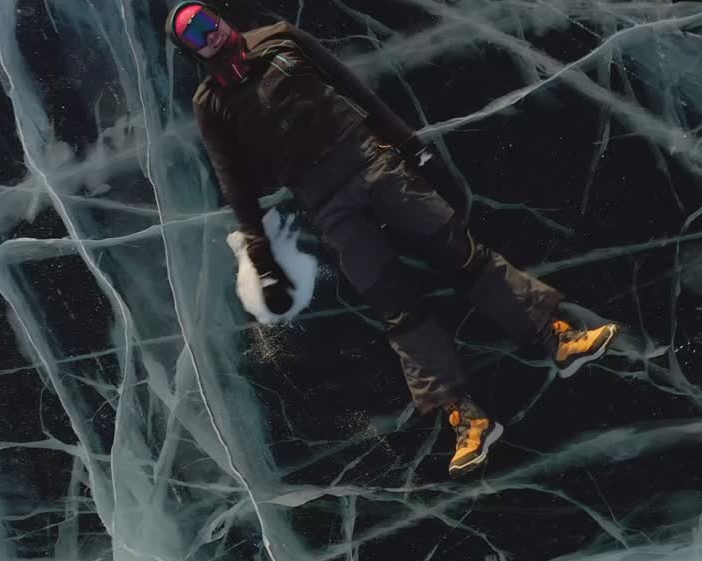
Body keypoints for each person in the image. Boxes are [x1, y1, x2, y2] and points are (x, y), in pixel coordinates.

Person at [166, 2, 619, 478]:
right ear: (191, 50)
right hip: (325, 202)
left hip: (369, 162)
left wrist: (413, 147)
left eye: (204, 21)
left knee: (460, 254)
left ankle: (556, 337)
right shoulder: (211, 103)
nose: (207, 34)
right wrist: (261, 258)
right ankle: (465, 416)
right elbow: (232, 182)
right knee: (394, 305)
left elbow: (351, 87)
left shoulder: (280, 38)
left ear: (218, 17)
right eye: (192, 35)